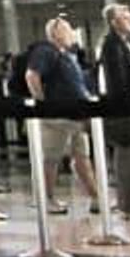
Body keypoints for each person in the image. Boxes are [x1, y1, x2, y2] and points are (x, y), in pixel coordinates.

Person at [25, 17, 102, 214]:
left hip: (75, 116)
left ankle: (96, 197)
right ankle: (46, 198)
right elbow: (32, 76)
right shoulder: (46, 51)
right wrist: (43, 104)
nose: (71, 33)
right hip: (57, 117)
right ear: (55, 33)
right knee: (51, 158)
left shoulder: (68, 55)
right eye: (66, 29)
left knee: (82, 157)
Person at [96, 4, 130, 218]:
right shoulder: (112, 45)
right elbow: (117, 81)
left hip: (129, 107)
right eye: (126, 17)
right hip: (123, 109)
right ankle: (129, 203)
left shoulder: (121, 44)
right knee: (128, 156)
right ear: (114, 21)